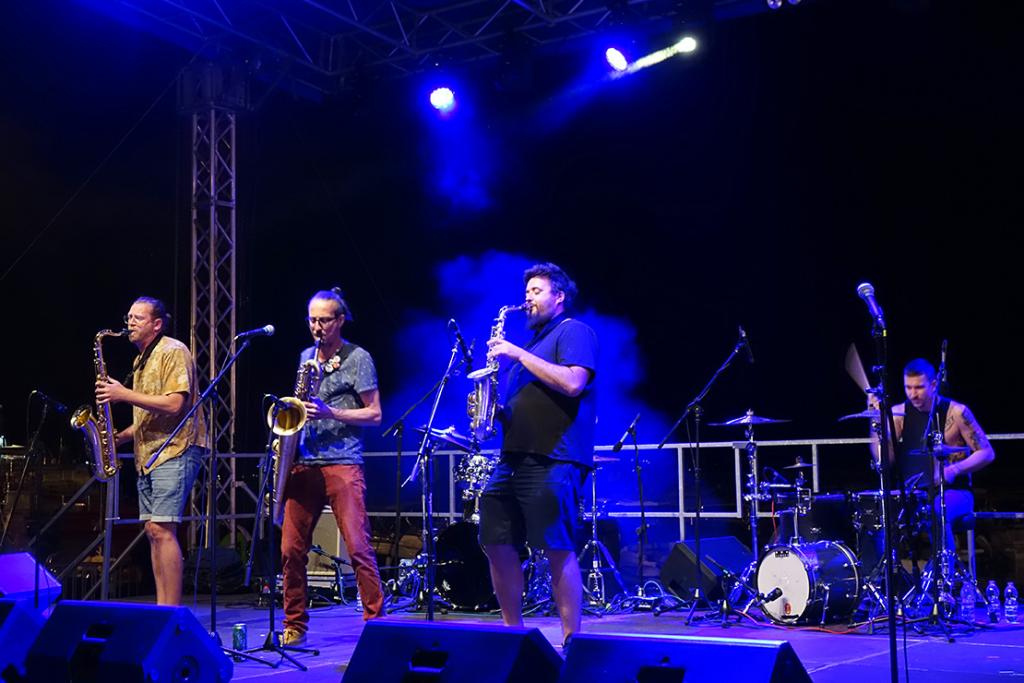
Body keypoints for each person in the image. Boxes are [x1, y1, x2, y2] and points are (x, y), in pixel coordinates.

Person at [479, 262, 598, 648]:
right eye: (526, 291)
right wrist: (492, 410)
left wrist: (515, 354)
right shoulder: (531, 347)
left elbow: (573, 383)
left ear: (559, 296)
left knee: (556, 547)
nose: (527, 298)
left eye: (536, 291)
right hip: (513, 457)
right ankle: (513, 635)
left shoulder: (573, 331)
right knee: (495, 540)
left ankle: (572, 641)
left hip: (555, 456)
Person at [279, 288, 385, 647]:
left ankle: (376, 622)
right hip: (305, 461)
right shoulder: (305, 356)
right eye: (312, 320)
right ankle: (294, 624)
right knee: (290, 549)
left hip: (343, 461)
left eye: (324, 320)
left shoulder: (359, 358)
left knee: (358, 546)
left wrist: (330, 412)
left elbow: (375, 414)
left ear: (340, 320)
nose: (316, 327)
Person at [96, 296, 208, 606]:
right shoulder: (141, 361)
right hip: (150, 454)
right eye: (129, 317)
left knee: (162, 528)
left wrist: (123, 394)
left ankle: (170, 611)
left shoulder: (173, 350)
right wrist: (120, 437)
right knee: (153, 530)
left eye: (138, 318)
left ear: (157, 324)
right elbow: (149, 416)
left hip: (176, 448)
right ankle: (162, 607)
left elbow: (174, 404)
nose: (129, 323)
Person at [873, 358, 995, 555]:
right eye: (908, 387)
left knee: (936, 511)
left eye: (919, 387)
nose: (913, 394)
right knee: (875, 515)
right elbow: (884, 461)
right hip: (913, 494)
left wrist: (954, 469)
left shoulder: (957, 412)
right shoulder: (898, 414)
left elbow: (987, 453)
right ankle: (887, 572)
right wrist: (876, 424)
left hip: (955, 492)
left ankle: (944, 570)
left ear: (933, 384)